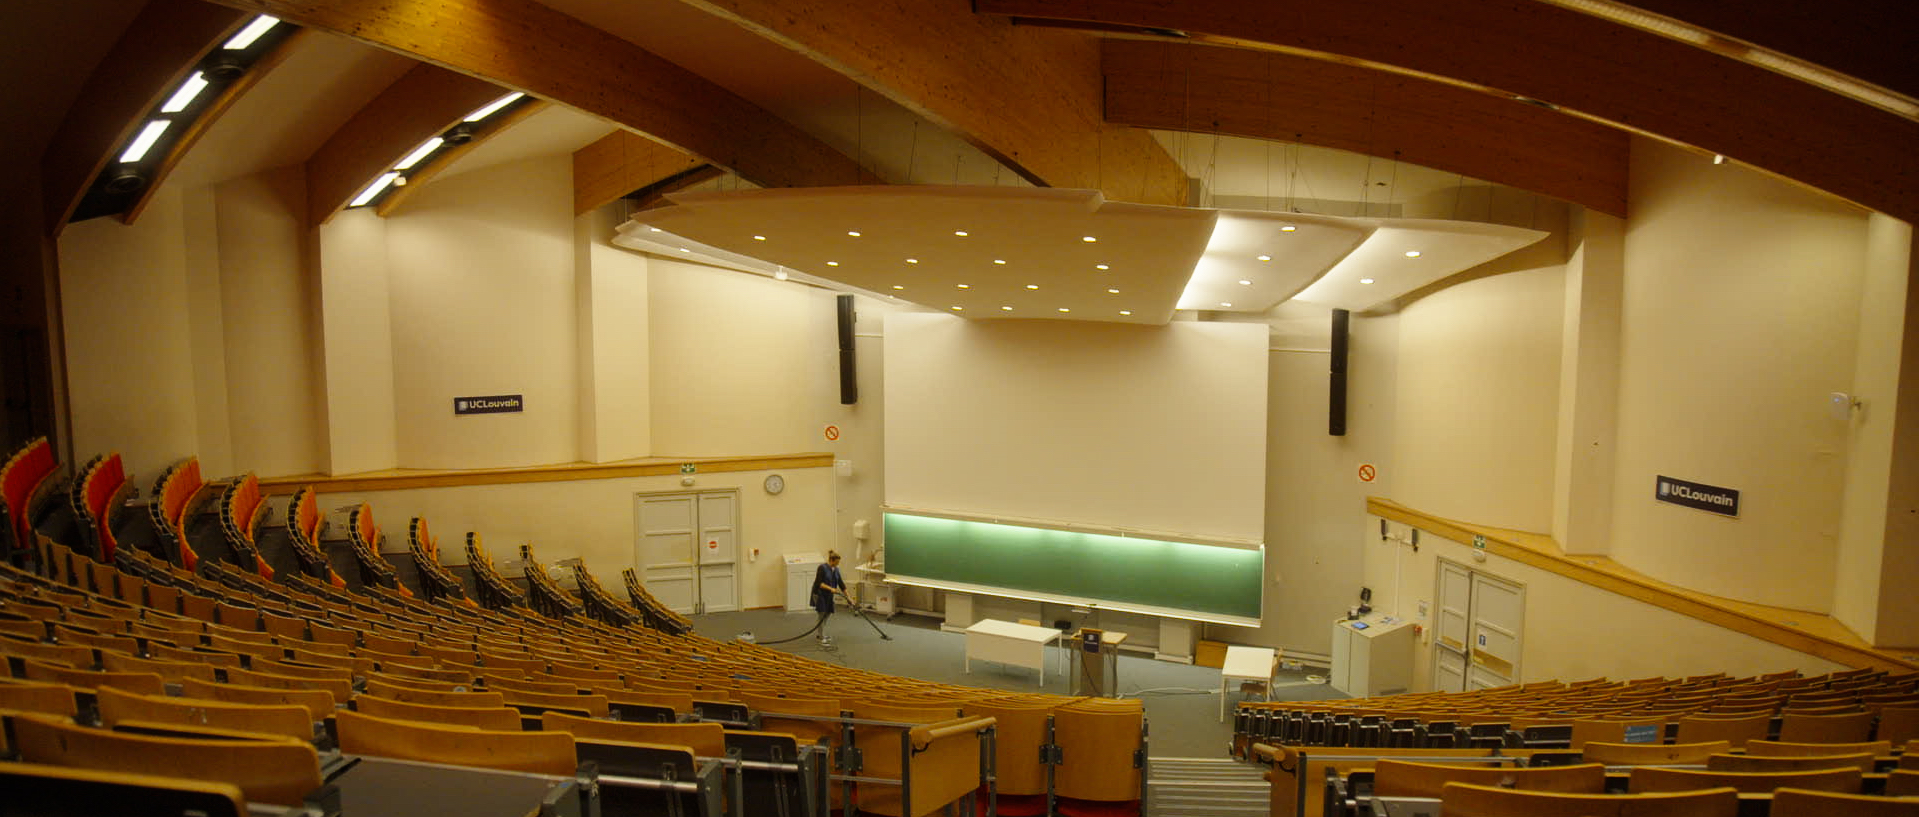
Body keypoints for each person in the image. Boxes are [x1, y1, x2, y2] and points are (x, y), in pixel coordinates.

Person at [811, 550, 848, 643]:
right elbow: (819, 583)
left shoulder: (836, 570)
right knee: (822, 613)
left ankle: (821, 633)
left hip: (828, 595)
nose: (837, 564)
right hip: (819, 594)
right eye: (836, 562)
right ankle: (821, 635)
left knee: (828, 612)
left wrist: (849, 598)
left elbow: (841, 584)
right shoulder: (822, 568)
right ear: (831, 560)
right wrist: (831, 588)